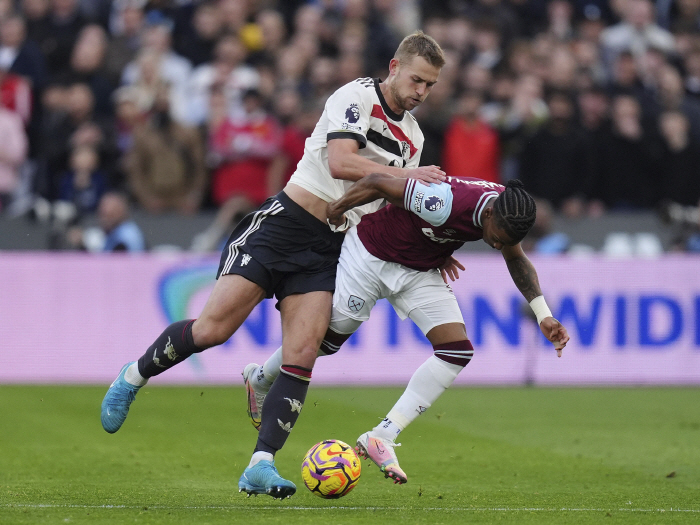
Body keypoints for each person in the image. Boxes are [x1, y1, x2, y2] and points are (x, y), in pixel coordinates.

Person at [100, 31, 447, 499]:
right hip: (282, 227)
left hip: (328, 249)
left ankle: (260, 464)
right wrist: (408, 175)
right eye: (417, 79)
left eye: (430, 84)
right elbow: (343, 162)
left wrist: (430, 248)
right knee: (211, 331)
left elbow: (392, 202)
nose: (421, 92)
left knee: (302, 354)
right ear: (394, 67)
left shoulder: (414, 138)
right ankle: (132, 376)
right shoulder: (355, 96)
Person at [243, 176, 570, 484]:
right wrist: (334, 213)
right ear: (488, 213)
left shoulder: (507, 213)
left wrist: (544, 314)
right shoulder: (444, 200)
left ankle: (382, 435)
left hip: (418, 270)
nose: (500, 244)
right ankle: (259, 378)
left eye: (507, 241)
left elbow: (516, 259)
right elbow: (375, 182)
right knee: (324, 342)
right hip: (371, 256)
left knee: (456, 350)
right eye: (497, 236)